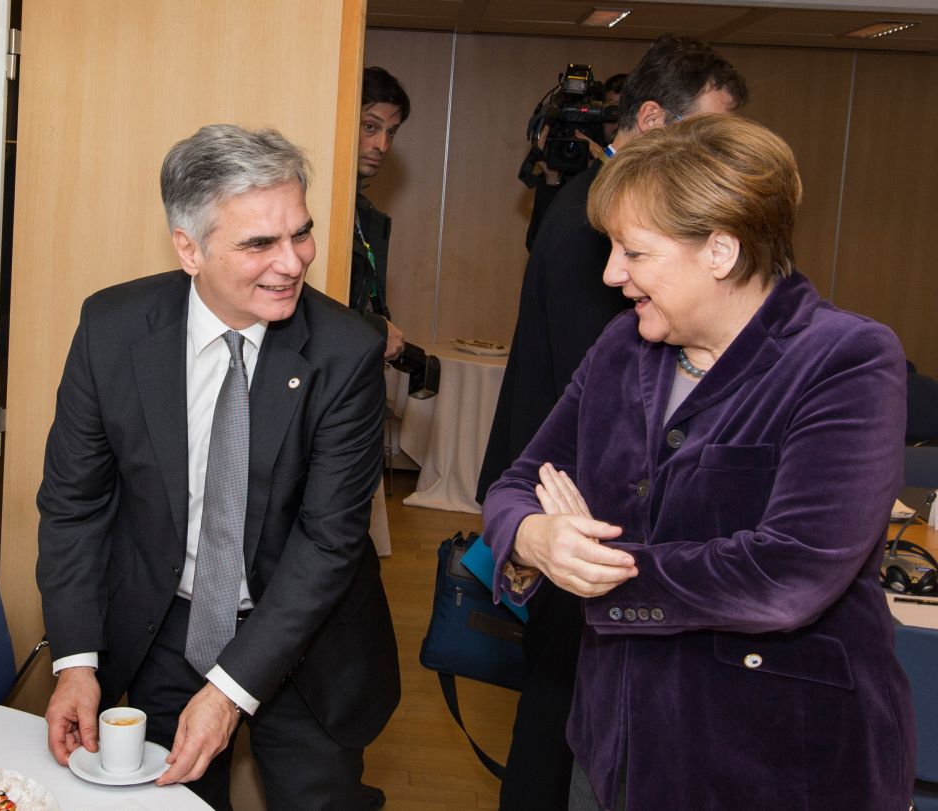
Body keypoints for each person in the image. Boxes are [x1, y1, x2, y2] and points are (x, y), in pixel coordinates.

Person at [484, 114, 914, 810]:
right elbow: (517, 485)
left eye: (633, 251)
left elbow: (789, 572)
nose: (611, 273)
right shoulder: (622, 346)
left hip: (772, 761)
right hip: (612, 747)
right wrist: (536, 537)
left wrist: (597, 574)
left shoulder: (845, 360)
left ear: (720, 250)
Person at [36, 124, 400, 811]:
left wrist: (229, 691)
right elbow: (73, 506)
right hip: (166, 628)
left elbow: (328, 542)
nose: (292, 262)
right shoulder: (112, 330)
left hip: (306, 636)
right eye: (259, 243)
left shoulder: (345, 352)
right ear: (189, 249)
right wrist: (76, 661)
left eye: (301, 233)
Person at [476, 35, 748, 811]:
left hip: (592, 529)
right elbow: (605, 403)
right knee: (559, 716)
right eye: (705, 132)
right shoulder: (594, 223)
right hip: (583, 511)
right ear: (655, 120)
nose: (617, 274)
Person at [352, 66, 409, 362]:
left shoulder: (365, 214)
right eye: (370, 127)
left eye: (391, 132)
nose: (382, 146)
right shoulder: (315, 203)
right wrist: (375, 328)